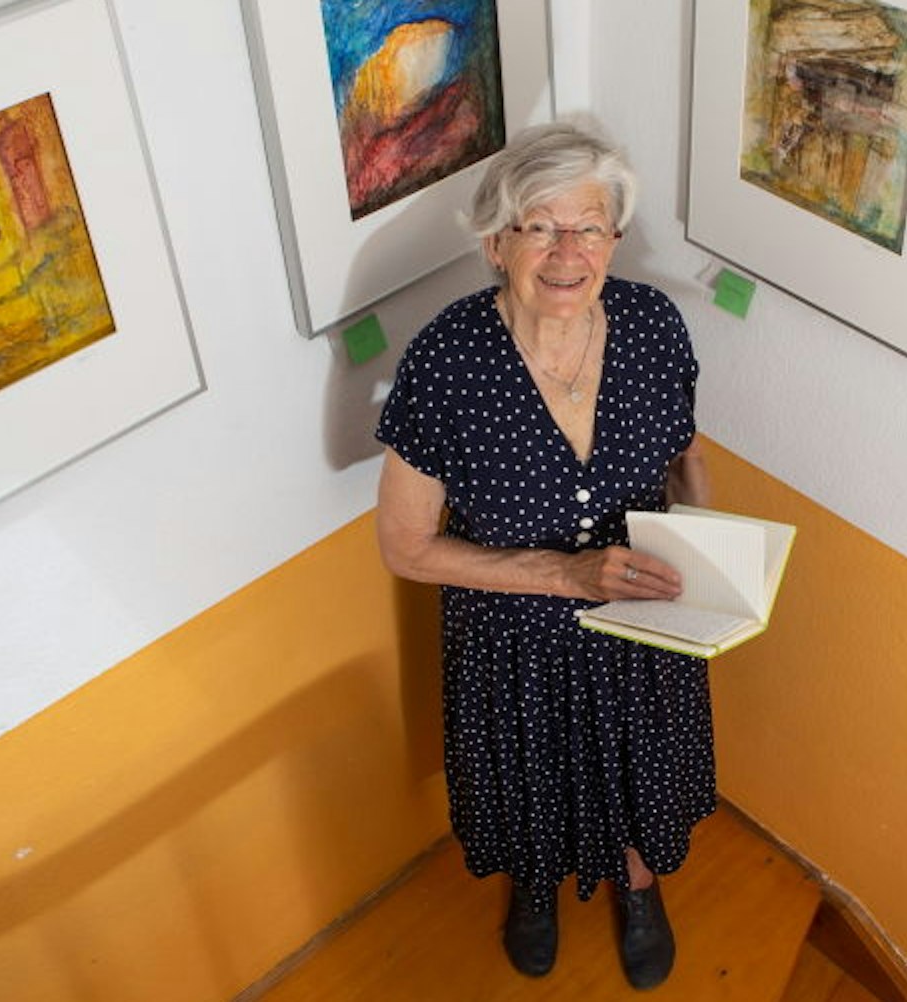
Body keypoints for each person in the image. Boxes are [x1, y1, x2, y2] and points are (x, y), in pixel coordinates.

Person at [373, 120, 712, 990]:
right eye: (540, 227)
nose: (568, 253)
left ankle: (639, 888)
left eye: (589, 227)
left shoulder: (652, 326)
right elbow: (406, 547)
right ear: (496, 243)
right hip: (514, 639)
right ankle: (535, 888)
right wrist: (564, 574)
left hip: (643, 624)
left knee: (641, 768)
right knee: (530, 778)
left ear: (615, 238)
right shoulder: (447, 361)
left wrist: (709, 558)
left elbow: (686, 454)